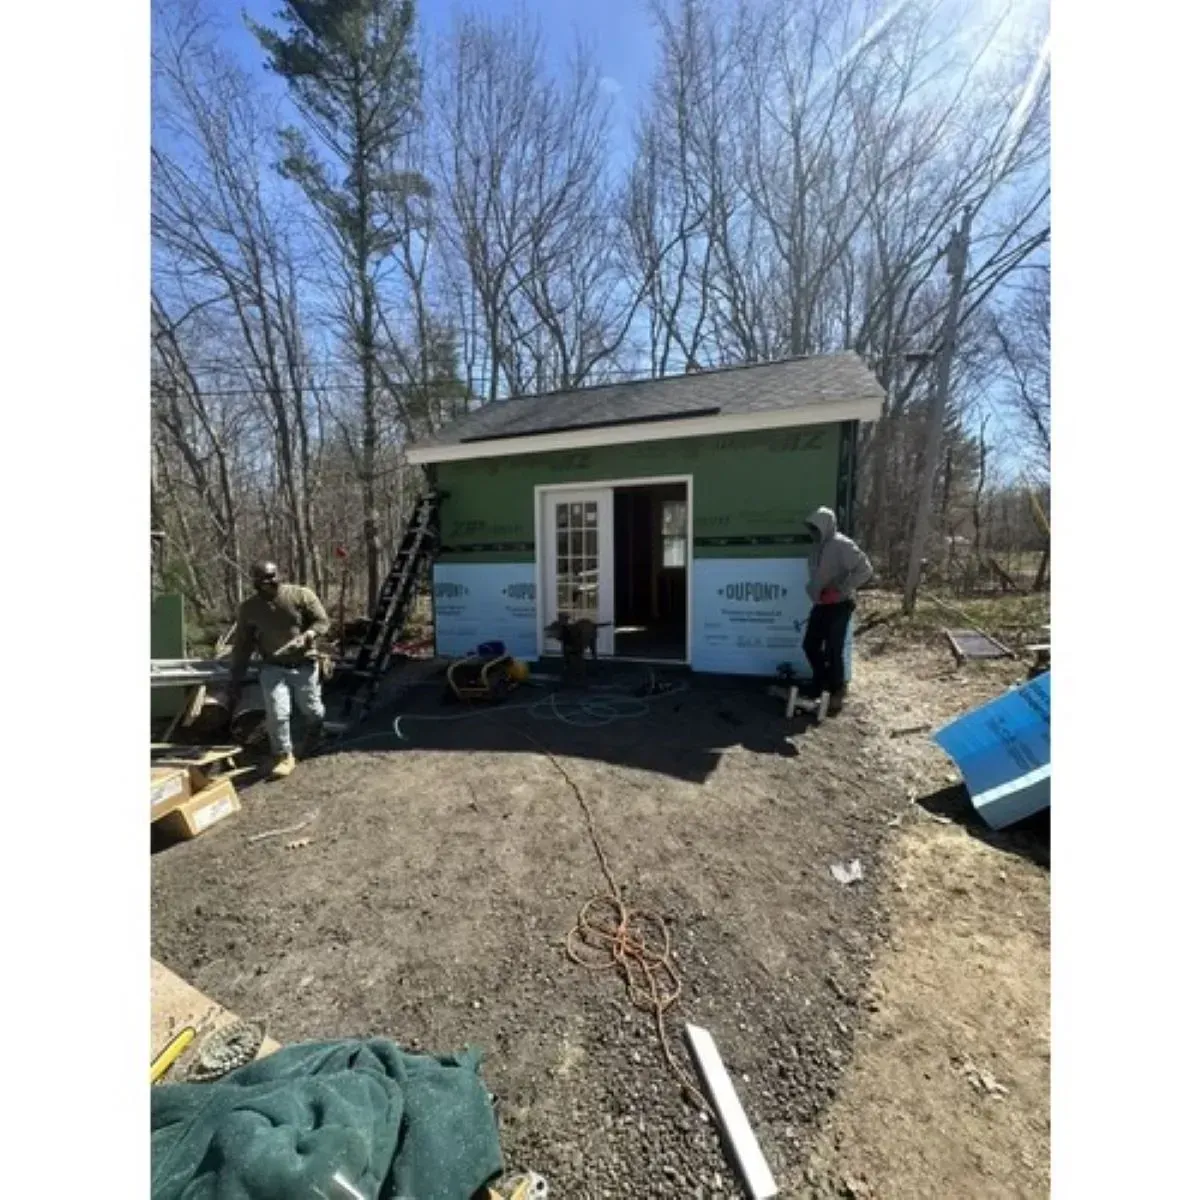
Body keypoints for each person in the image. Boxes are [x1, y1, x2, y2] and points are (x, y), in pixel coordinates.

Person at [227, 561, 331, 779]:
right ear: (255, 581)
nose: (268, 582)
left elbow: (322, 621)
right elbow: (243, 645)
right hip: (273, 667)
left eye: (271, 576)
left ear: (279, 575)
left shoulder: (301, 596)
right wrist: (235, 677)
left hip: (304, 663)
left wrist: (310, 635)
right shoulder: (249, 608)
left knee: (312, 709)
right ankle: (284, 755)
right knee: (277, 713)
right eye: (262, 578)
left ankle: (316, 735)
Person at [802, 507, 873, 719]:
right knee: (810, 645)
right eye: (811, 527)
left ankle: (836, 693)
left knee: (834, 650)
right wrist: (813, 591)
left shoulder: (842, 544)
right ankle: (821, 684)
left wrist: (840, 590)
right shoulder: (816, 547)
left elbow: (865, 570)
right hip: (822, 605)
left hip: (840, 604)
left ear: (825, 525)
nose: (812, 531)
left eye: (815, 527)